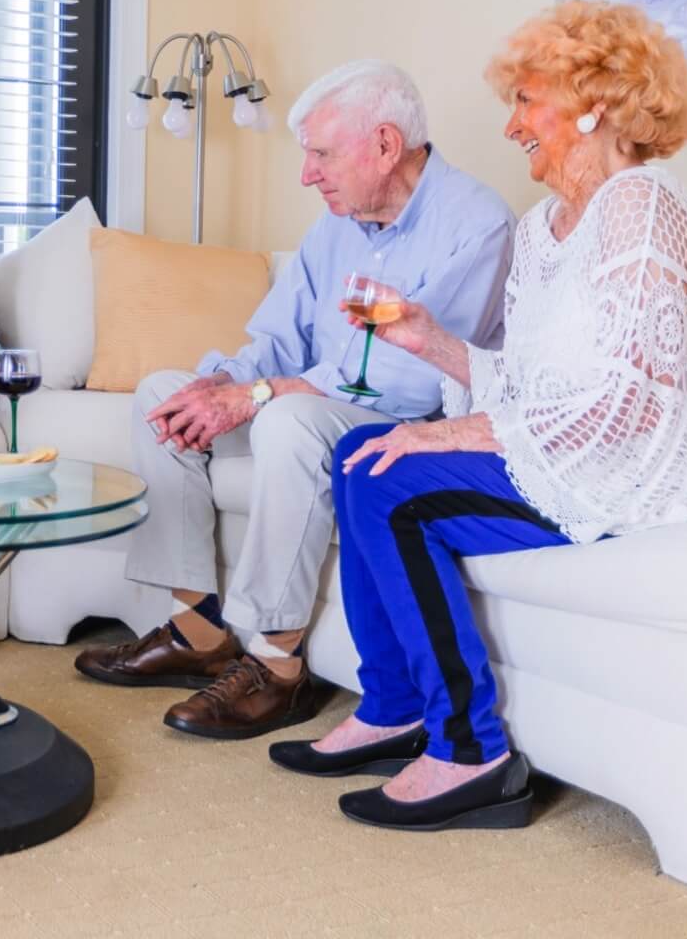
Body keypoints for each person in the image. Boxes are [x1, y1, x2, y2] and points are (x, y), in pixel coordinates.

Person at [272, 0, 687, 830]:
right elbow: (531, 384)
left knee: (392, 479)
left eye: (527, 100)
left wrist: (451, 432)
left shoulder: (644, 207)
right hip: (568, 454)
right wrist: (430, 342)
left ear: (593, 101)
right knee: (362, 448)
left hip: (640, 477)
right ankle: (394, 704)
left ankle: (471, 752)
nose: (511, 127)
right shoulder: (543, 231)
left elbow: (628, 402)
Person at [75, 60, 516, 740]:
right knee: (161, 393)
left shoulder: (477, 222)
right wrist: (219, 385)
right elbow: (278, 341)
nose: (307, 174)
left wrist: (260, 395)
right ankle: (197, 629)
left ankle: (278, 666)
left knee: (290, 419)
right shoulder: (335, 226)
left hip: (413, 424)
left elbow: (417, 381)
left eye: (320, 154)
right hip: (315, 401)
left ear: (384, 145)